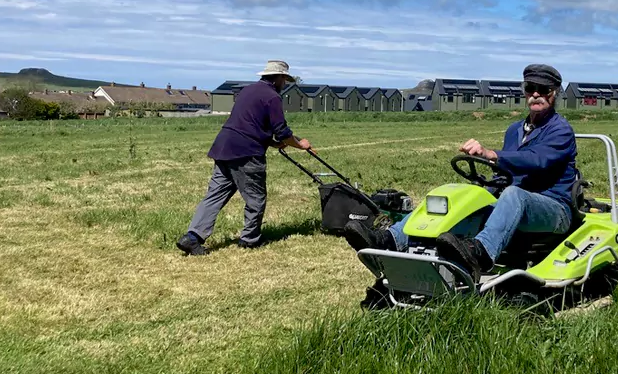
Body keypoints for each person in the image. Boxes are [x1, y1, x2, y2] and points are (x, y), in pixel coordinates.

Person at [343, 63, 577, 280]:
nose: (536, 94)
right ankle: (390, 240)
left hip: (553, 207)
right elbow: (505, 172)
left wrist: (492, 154)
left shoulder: (561, 130)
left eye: (543, 89)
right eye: (530, 88)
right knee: (458, 196)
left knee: (514, 194)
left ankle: (481, 253)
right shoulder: (515, 129)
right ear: (524, 91)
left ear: (555, 93)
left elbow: (536, 160)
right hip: (512, 200)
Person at [176, 60, 312, 256]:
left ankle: (192, 237)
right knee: (255, 198)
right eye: (285, 79)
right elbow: (281, 131)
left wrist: (272, 143)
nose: (285, 83)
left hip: (224, 147)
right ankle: (249, 240)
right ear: (279, 78)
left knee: (215, 195)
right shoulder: (272, 97)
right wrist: (300, 145)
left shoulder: (247, 91)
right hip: (247, 153)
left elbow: (249, 123)